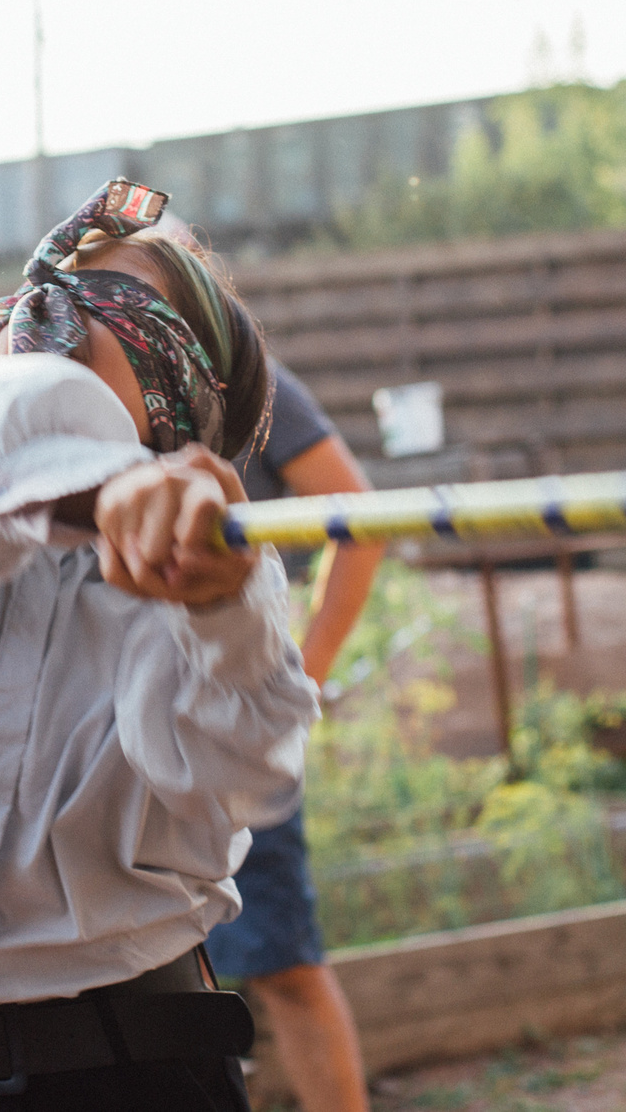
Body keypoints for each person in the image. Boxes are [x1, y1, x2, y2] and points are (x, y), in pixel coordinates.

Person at [0, 178, 322, 1112]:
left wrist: (220, 603)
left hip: (135, 1071)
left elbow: (242, 774)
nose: (46, 316)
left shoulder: (227, 584)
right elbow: (14, 418)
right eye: (36, 291)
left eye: (98, 303)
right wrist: (110, 489)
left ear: (179, 380)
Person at [207, 359, 378, 1112]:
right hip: (109, 734)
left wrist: (300, 679)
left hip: (234, 731)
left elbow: (358, 519)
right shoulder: (68, 382)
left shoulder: (245, 378)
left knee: (286, 967)